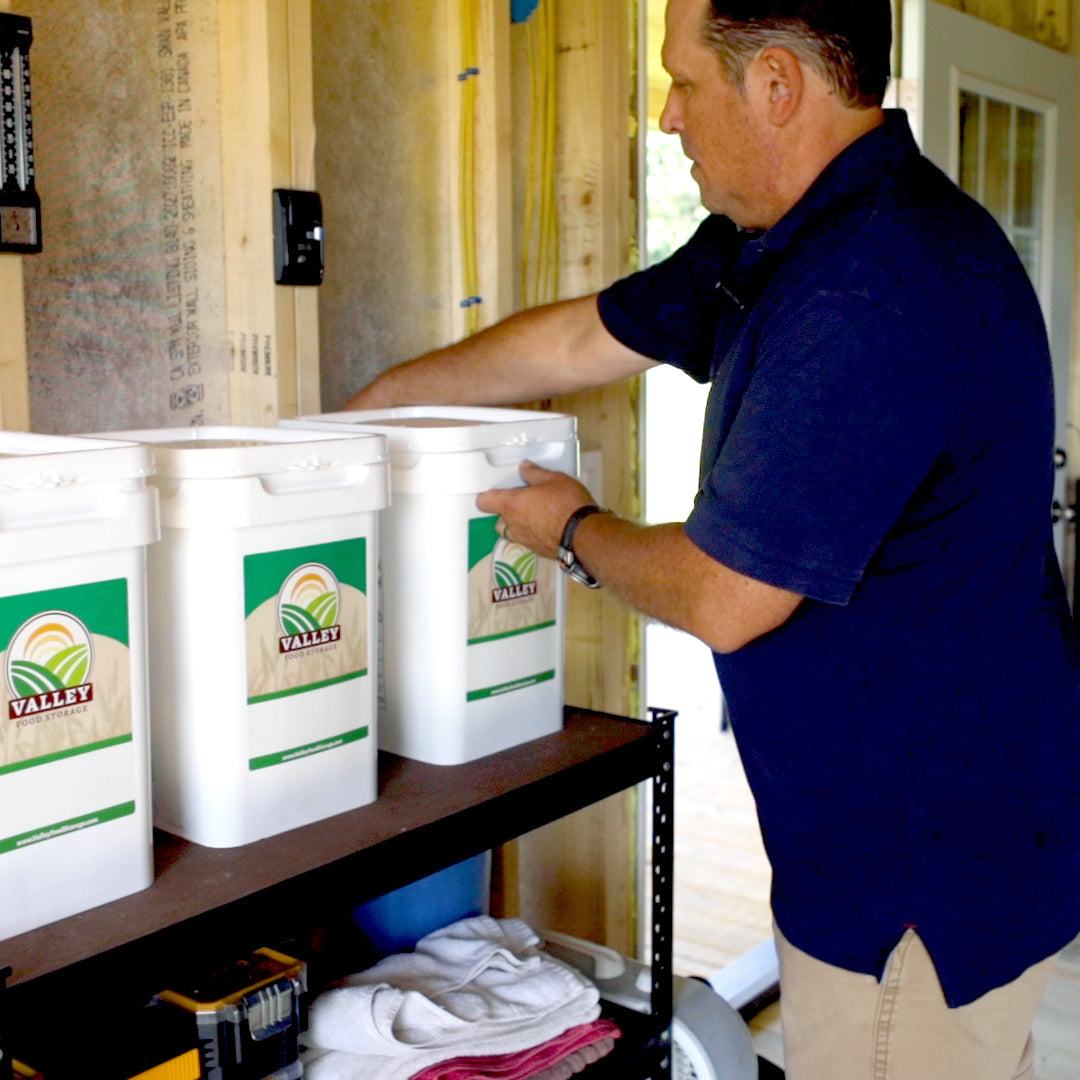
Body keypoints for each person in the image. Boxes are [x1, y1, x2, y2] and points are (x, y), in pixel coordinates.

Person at [346, 1, 1080, 1076]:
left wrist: (573, 531)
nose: (668, 114)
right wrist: (371, 412)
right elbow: (574, 338)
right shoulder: (778, 243)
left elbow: (728, 594)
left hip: (922, 879)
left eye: (686, 82)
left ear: (776, 84)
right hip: (886, 841)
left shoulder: (877, 284)